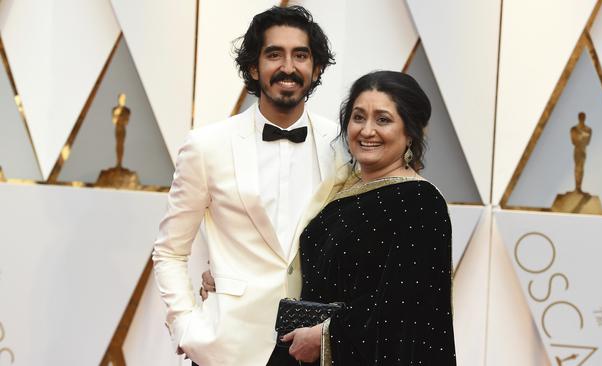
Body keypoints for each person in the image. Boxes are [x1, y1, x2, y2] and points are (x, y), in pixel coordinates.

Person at [204, 71, 458, 365]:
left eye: (383, 120)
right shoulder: (339, 187)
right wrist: (230, 273)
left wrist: (326, 336)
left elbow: (406, 306)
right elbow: (289, 258)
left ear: (410, 131)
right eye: (358, 117)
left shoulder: (420, 202)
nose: (367, 130)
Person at [152, 6, 345, 366]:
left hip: (313, 345)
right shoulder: (207, 145)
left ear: (316, 68)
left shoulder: (341, 146)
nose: (288, 67)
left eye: (300, 55)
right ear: (254, 68)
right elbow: (170, 251)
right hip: (228, 347)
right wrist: (184, 325)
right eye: (274, 54)